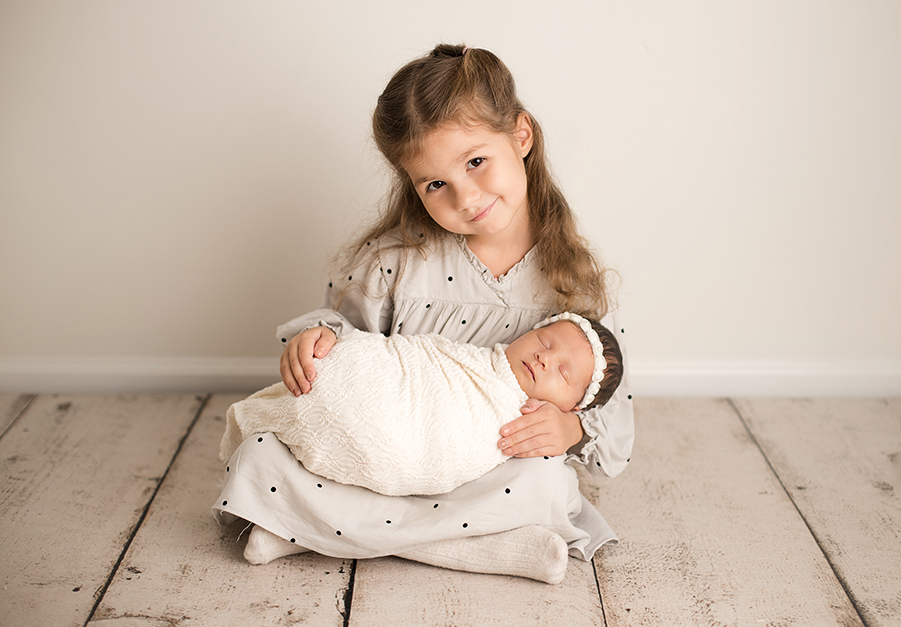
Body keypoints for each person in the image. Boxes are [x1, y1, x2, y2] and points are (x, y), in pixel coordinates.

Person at [212, 44, 634, 585]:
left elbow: (611, 436)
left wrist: (569, 428)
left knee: (547, 486)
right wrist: (316, 341)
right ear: (413, 184)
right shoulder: (394, 263)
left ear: (521, 136)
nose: (465, 196)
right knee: (261, 458)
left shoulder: (574, 285)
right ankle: (477, 547)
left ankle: (313, 533)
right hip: (378, 461)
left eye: (476, 162)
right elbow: (346, 353)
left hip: (485, 468)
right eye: (435, 183)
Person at [220, 313, 623, 497]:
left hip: (438, 484)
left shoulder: (542, 419)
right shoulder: (474, 358)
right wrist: (323, 333)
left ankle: (289, 530)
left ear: (573, 404)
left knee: (547, 487)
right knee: (351, 368)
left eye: (563, 374)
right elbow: (419, 357)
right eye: (545, 342)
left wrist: (572, 430)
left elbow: (613, 447)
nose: (544, 359)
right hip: (385, 395)